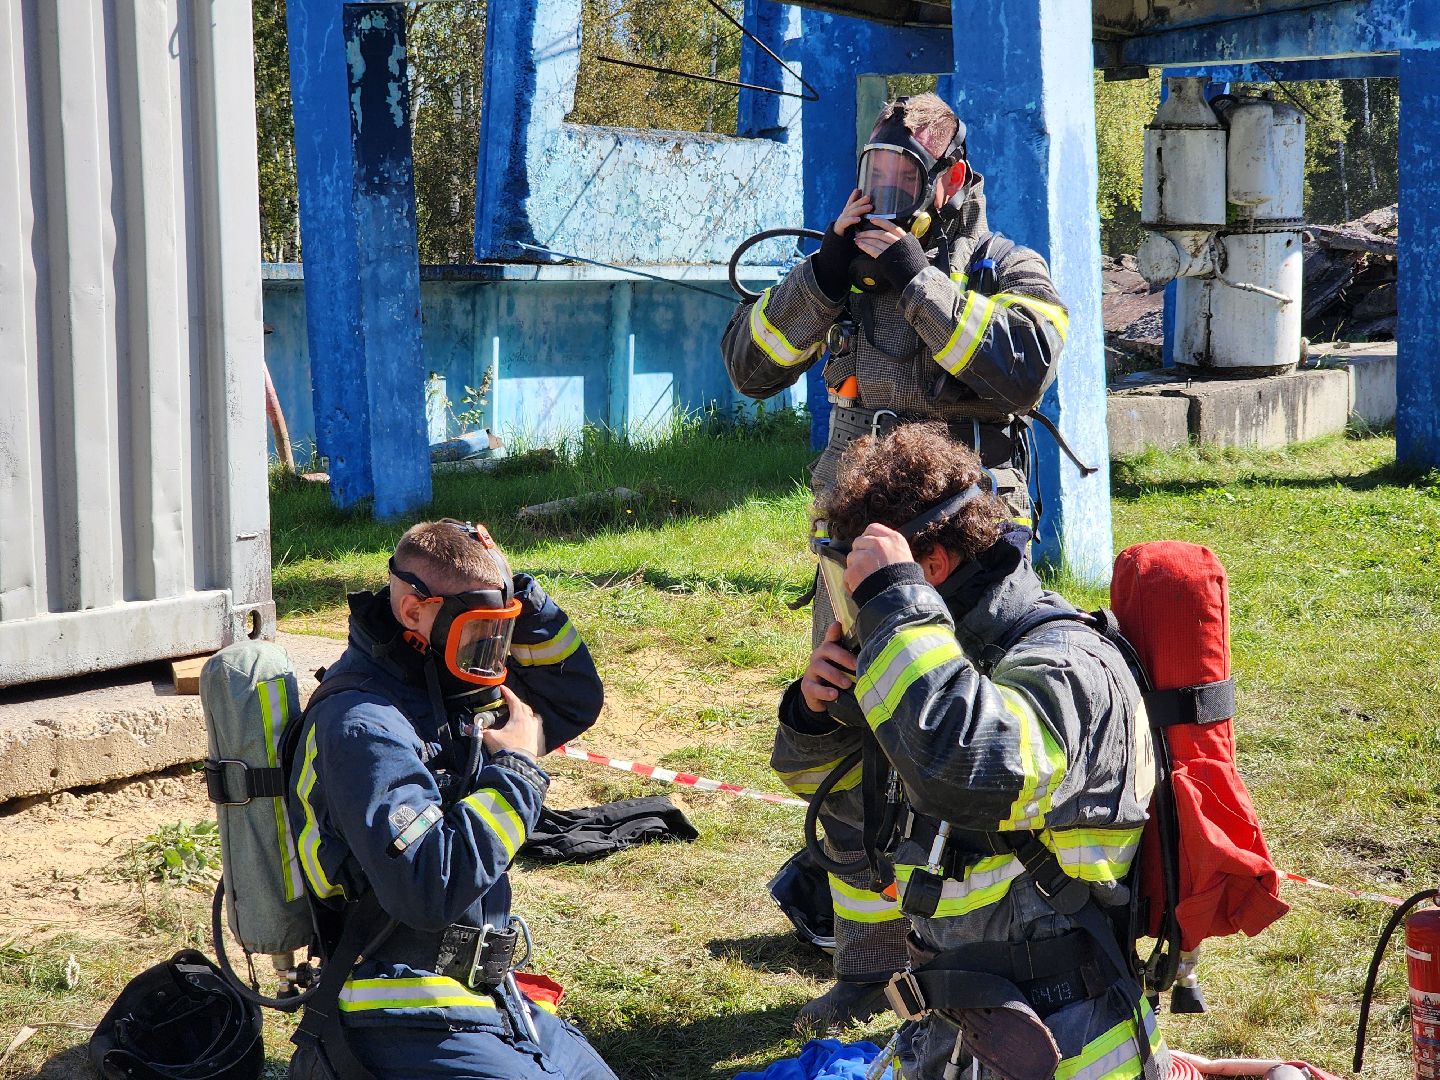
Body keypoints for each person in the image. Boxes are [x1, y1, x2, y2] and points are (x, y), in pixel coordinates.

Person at [723, 91, 1070, 1026]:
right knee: (845, 746)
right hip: (856, 554)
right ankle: (866, 968)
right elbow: (749, 366)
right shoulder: (842, 274)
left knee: (963, 736)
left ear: (948, 181)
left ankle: (990, 951)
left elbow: (1023, 365)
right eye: (872, 174)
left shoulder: (1007, 266)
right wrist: (823, 274)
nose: (881, 195)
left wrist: (919, 279)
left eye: (902, 179)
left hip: (967, 555)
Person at [774, 424, 1167, 1080]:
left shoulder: (1064, 664)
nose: (852, 609)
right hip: (953, 1035)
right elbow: (837, 807)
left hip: (1067, 1047)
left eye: (860, 583)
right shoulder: (934, 663)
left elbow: (975, 776)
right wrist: (817, 715)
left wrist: (898, 624)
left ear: (928, 570)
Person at [285, 519, 618, 1080]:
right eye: (478, 630)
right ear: (414, 611)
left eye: (499, 631)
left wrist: (518, 593)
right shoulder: (363, 726)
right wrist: (516, 771)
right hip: (397, 1009)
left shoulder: (436, 684)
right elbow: (429, 888)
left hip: (489, 998)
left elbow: (573, 699)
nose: (492, 655)